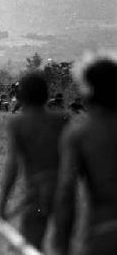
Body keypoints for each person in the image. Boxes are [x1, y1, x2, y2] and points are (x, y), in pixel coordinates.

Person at [0, 71, 69, 252]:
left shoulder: (17, 123)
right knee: (63, 247)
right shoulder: (62, 119)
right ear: (46, 95)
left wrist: (2, 203)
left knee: (31, 245)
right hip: (64, 189)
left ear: (21, 96)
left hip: (36, 191)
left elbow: (13, 165)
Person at [53, 57, 117, 255]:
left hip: (105, 232)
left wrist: (62, 246)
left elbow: (65, 193)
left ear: (88, 91)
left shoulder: (80, 133)